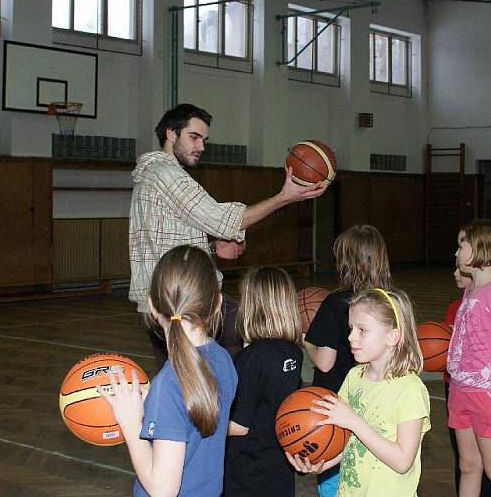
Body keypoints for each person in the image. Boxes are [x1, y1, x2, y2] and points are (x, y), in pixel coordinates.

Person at [129, 103, 325, 365]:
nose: (201, 147)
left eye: (204, 140)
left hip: (171, 299)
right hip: (180, 304)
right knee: (253, 332)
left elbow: (164, 243)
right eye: (194, 137)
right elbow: (226, 222)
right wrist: (284, 197)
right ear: (171, 134)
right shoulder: (166, 175)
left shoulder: (153, 175)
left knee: (193, 382)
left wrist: (211, 250)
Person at [97, 245, 237, 497]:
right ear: (217, 303)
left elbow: (163, 490)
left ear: (151, 306)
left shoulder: (169, 386)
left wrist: (131, 424)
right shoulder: (223, 360)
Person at [288, 287, 431, 496]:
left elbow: (402, 462)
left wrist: (354, 421)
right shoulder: (354, 377)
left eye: (362, 330)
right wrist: (322, 463)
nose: (351, 338)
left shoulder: (410, 390)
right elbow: (350, 442)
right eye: (350, 328)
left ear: (393, 336)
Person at [303, 224, 393, 497]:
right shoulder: (391, 302)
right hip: (380, 407)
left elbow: (325, 362)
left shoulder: (336, 303)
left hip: (339, 407)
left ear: (346, 262)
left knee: (338, 481)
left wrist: (305, 339)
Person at [447, 219, 491, 497]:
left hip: (487, 395)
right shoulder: (470, 289)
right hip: (461, 391)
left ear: (481, 248)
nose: (456, 252)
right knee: (468, 466)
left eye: (461, 244)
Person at [223, 267, 303, 497]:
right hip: (279, 466)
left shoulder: (249, 359)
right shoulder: (293, 352)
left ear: (251, 307)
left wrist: (203, 424)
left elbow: (239, 426)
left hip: (247, 472)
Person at [445, 267, 491, 497]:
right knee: (465, 461)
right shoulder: (455, 307)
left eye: (461, 269)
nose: (455, 272)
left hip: (481, 390)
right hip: (455, 387)